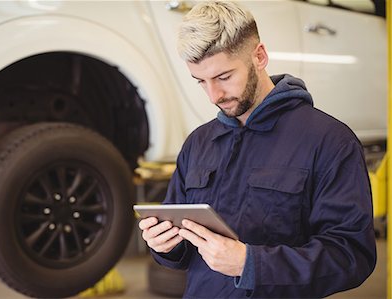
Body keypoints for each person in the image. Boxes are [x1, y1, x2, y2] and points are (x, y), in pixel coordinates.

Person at [138, 1, 376, 298]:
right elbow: (185, 253)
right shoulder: (198, 144)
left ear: (259, 56)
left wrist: (251, 264)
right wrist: (167, 245)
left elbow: (351, 256)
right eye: (201, 81)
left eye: (224, 77)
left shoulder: (329, 141)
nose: (214, 95)